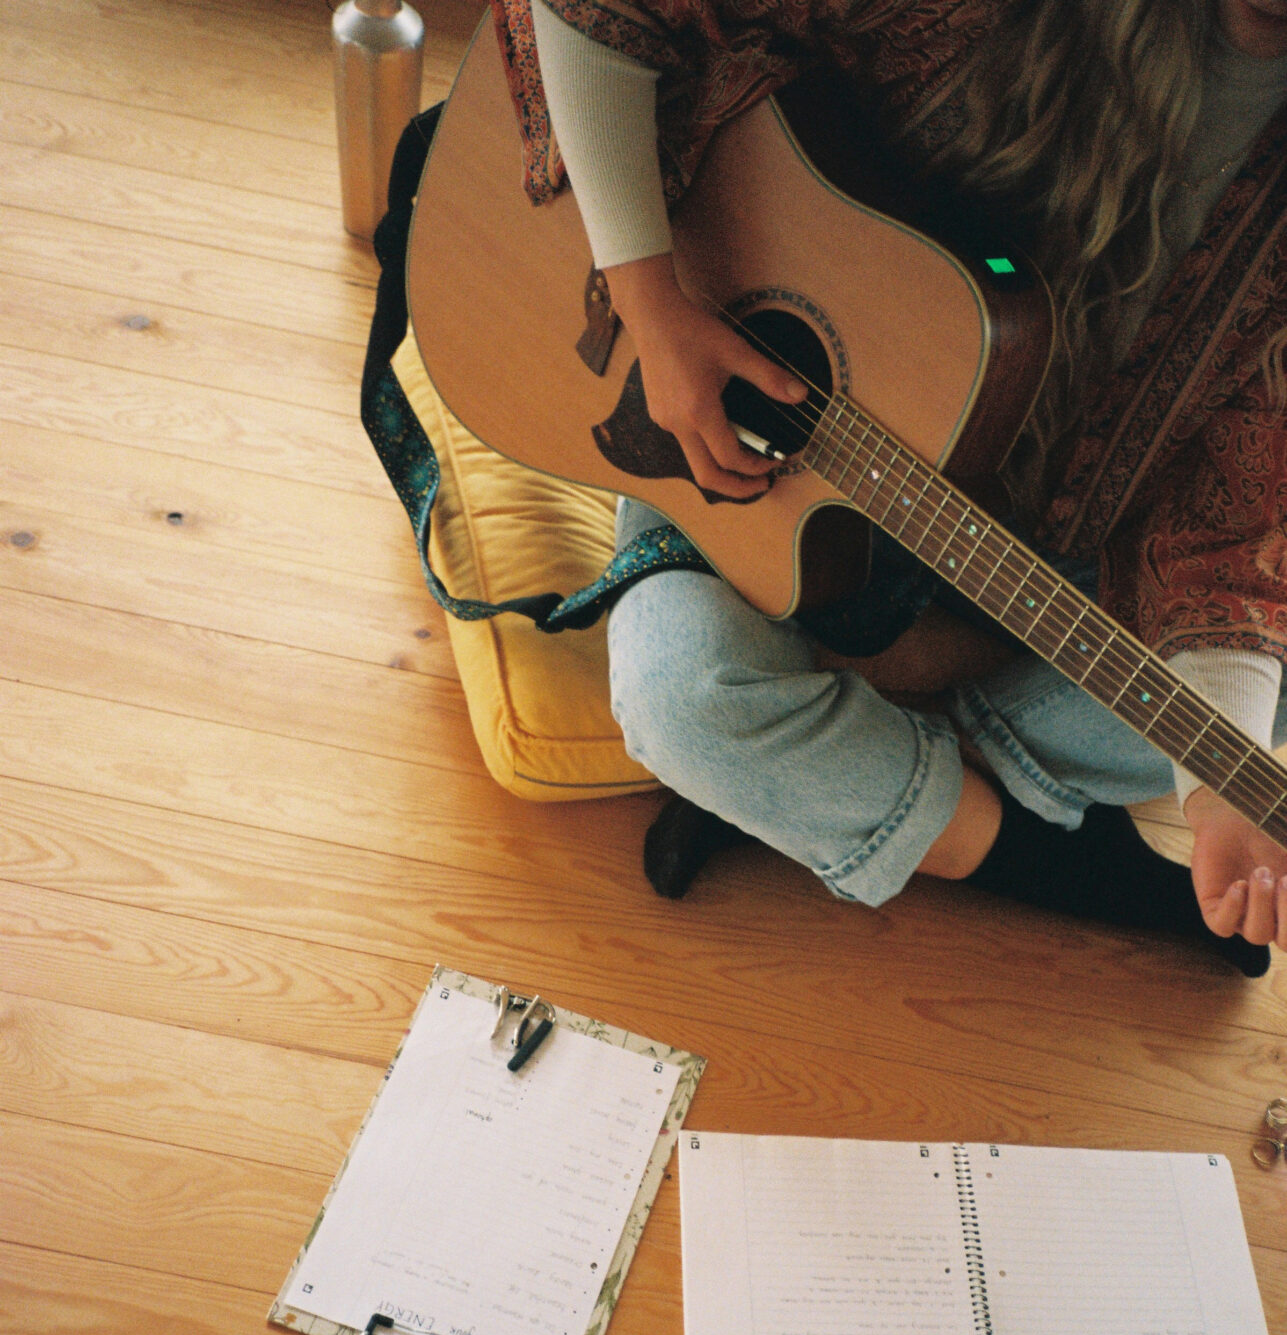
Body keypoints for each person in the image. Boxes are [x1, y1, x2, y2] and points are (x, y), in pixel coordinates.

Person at [494, 0, 1287, 968]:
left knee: (1266, 690)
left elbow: (1238, 504)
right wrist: (652, 308)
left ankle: (848, 761)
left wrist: (1219, 784)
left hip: (1036, 548)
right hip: (741, 423)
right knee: (679, 696)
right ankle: (1038, 854)